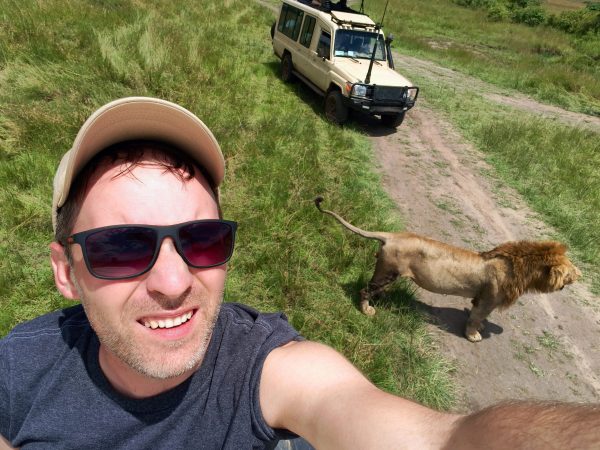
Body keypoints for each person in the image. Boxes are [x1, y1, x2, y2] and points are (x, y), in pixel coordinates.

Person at [1, 97, 599, 450]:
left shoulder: (267, 368)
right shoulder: (15, 370)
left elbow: (441, 441)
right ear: (65, 272)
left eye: (202, 240)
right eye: (122, 247)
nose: (174, 281)